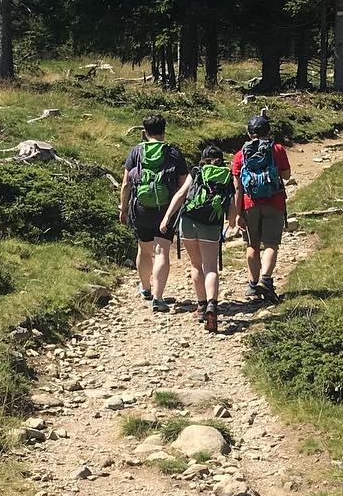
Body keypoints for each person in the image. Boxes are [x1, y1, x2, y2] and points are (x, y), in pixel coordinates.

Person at [159, 143, 237, 334]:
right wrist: (232, 222)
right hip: (211, 224)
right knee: (210, 267)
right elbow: (232, 206)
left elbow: (180, 194)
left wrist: (167, 217)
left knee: (196, 265)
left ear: (203, 159)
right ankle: (212, 305)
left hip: (188, 222)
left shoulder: (196, 172)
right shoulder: (226, 176)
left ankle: (201, 306)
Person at [118, 114, 187, 312]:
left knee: (144, 249)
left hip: (140, 208)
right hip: (166, 209)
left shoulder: (136, 152)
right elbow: (184, 185)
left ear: (145, 132)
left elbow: (126, 184)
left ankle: (146, 288)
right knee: (162, 251)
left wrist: (123, 208)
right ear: (164, 131)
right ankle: (158, 297)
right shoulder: (173, 152)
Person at [233, 113, 293, 304]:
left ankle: (252, 285)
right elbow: (286, 175)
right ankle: (266, 279)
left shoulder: (240, 155)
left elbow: (238, 188)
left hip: (249, 204)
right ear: (269, 131)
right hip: (275, 202)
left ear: (249, 133)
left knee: (252, 245)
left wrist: (238, 213)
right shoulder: (277, 149)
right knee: (271, 244)